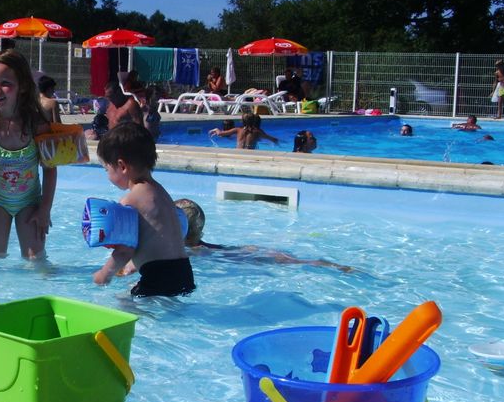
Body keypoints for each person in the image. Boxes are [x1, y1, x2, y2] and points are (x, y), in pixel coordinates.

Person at [0, 49, 57, 259]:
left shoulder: (36, 125)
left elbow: (50, 169)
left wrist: (44, 209)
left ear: (22, 86)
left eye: (5, 83)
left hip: (30, 202)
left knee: (36, 259)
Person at [93, 121, 195, 297]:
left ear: (122, 166)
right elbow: (158, 237)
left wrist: (104, 274)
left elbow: (125, 249)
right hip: (184, 271)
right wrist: (134, 264)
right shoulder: (160, 192)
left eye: (106, 169)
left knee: (123, 302)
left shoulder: (130, 200)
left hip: (159, 275)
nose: (107, 174)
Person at [174, 198, 353, 272]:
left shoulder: (193, 251)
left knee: (295, 262)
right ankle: (333, 265)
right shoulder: (200, 246)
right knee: (293, 261)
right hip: (241, 251)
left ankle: (328, 265)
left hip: (239, 256)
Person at [209, 112, 278, 149]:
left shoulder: (237, 130)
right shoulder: (257, 131)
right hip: (250, 154)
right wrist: (276, 141)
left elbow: (221, 134)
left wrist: (216, 130)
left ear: (242, 121)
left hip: (238, 153)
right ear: (254, 121)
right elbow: (271, 139)